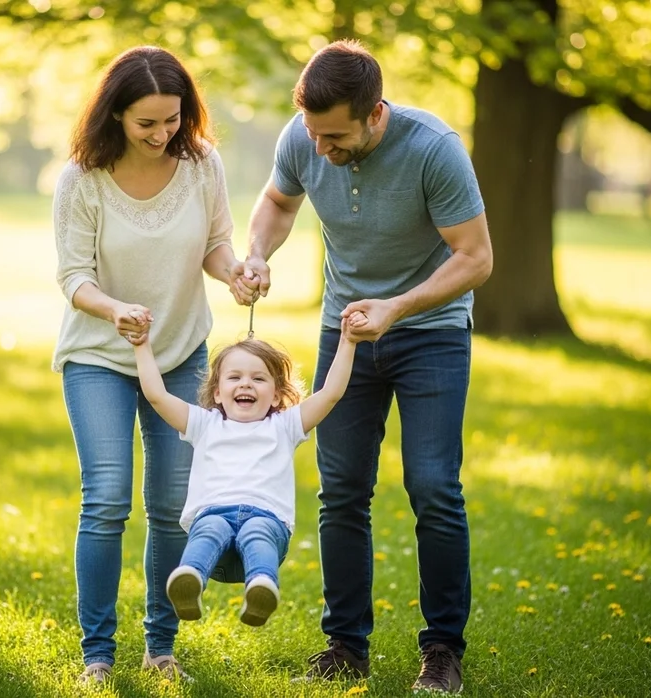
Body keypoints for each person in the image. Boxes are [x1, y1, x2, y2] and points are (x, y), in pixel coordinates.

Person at [232, 40, 494, 693]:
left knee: (434, 486)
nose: (320, 149)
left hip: (430, 332)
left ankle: (442, 652)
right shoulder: (305, 135)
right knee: (341, 488)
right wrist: (258, 252)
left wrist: (398, 307)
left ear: (375, 114)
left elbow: (476, 258)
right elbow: (278, 201)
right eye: (314, 135)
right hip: (346, 333)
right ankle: (345, 645)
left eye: (336, 137)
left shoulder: (435, 149)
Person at [52, 45, 250, 686]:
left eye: (173, 119)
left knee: (171, 504)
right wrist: (114, 310)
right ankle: (97, 655)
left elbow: (217, 246)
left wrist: (238, 273)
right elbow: (73, 276)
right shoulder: (81, 179)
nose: (164, 134)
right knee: (106, 500)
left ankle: (160, 647)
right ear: (115, 117)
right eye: (148, 124)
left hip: (183, 351)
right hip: (100, 356)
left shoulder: (201, 165)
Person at [130, 318, 361, 631]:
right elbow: (157, 396)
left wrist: (348, 341)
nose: (245, 384)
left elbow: (331, 393)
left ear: (278, 395)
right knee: (210, 527)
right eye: (234, 377)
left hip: (267, 520)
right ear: (218, 393)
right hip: (214, 523)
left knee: (257, 532)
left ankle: (261, 587)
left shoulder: (285, 426)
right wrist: (142, 346)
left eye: (258, 379)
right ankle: (191, 579)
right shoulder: (203, 424)